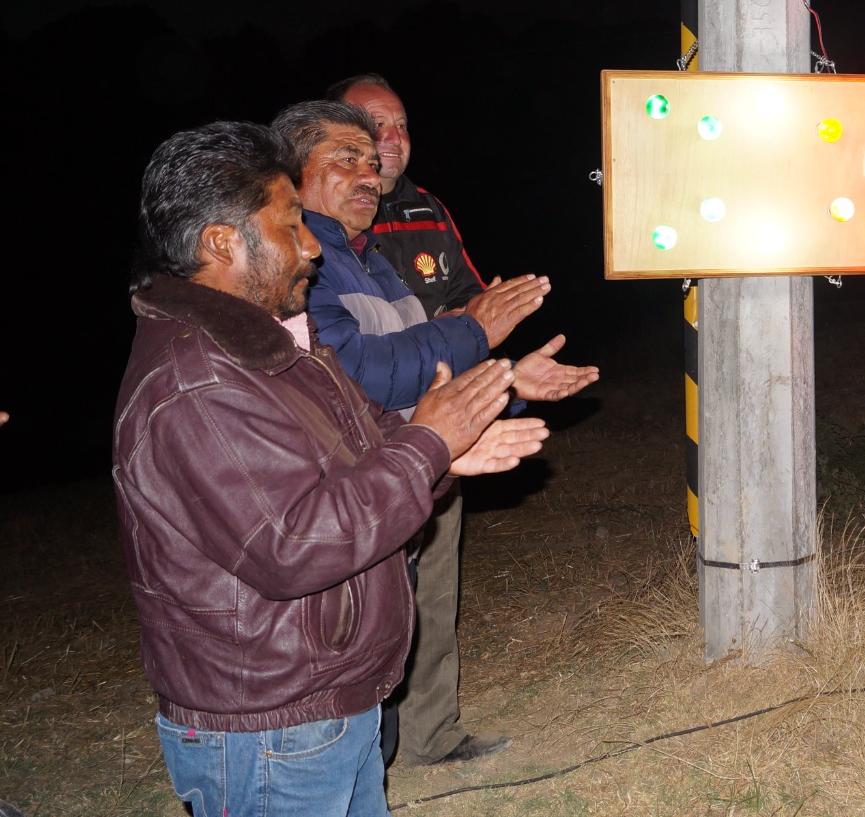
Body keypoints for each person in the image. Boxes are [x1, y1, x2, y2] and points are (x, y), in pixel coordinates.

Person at [113, 121, 547, 815]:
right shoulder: (197, 380)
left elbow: (361, 445)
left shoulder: (266, 345)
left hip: (318, 702)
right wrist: (426, 443)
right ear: (221, 243)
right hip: (267, 726)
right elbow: (293, 544)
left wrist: (442, 453)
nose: (312, 244)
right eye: (291, 224)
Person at [271, 100, 598, 766]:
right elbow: (358, 374)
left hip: (407, 469)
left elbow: (429, 373)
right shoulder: (298, 267)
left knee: (417, 615)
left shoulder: (373, 261)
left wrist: (505, 378)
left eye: (375, 158)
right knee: (352, 659)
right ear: (291, 173)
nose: (371, 170)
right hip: (347, 494)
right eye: (348, 157)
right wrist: (478, 330)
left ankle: (423, 740)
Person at [327, 74, 484, 318]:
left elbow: (468, 294)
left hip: (446, 353)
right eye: (378, 125)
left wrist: (488, 308)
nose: (396, 138)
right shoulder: (321, 211)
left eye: (401, 126)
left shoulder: (429, 208)